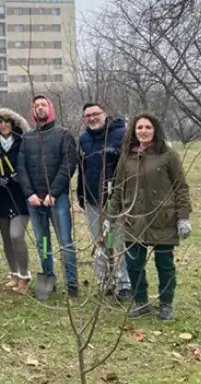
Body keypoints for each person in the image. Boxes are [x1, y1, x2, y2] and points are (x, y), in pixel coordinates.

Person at [109, 114, 192, 321]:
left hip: (162, 218)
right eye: (139, 128)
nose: (143, 131)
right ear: (134, 132)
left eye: (147, 127)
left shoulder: (168, 156)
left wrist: (183, 217)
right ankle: (141, 302)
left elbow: (181, 187)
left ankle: (166, 304)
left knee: (164, 264)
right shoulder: (127, 156)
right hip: (133, 219)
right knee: (134, 265)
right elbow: (118, 188)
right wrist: (110, 216)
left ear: (155, 130)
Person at [17, 95, 78, 299]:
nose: (40, 108)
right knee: (43, 242)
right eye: (36, 106)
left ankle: (72, 284)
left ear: (50, 109)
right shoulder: (27, 138)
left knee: (65, 242)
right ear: (32, 111)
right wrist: (30, 194)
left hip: (57, 199)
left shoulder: (63, 134)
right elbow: (22, 168)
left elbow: (69, 164)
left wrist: (54, 192)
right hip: (35, 201)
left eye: (43, 105)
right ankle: (47, 276)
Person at [77, 103, 131, 299]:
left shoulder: (121, 134)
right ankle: (104, 281)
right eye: (88, 116)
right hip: (93, 200)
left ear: (105, 114)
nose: (92, 118)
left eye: (95, 114)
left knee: (116, 241)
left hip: (115, 200)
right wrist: (81, 195)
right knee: (100, 242)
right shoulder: (83, 139)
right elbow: (82, 170)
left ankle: (123, 283)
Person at [0, 108, 32, 292]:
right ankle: (14, 273)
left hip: (20, 195)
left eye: (6, 121)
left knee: (16, 235)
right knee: (6, 238)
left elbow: (30, 164)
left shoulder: (23, 142)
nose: (3, 125)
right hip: (0, 196)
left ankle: (25, 275)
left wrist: (21, 177)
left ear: (13, 124)